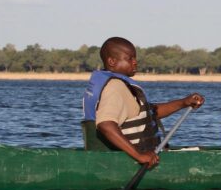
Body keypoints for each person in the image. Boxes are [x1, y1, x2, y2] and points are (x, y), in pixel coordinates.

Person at [82, 37, 204, 169]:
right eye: (130, 58)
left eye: (135, 58)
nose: (135, 62)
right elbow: (106, 125)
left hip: (124, 158)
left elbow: (150, 113)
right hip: (129, 162)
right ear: (112, 61)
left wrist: (184, 102)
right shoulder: (114, 87)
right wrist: (139, 156)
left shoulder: (119, 85)